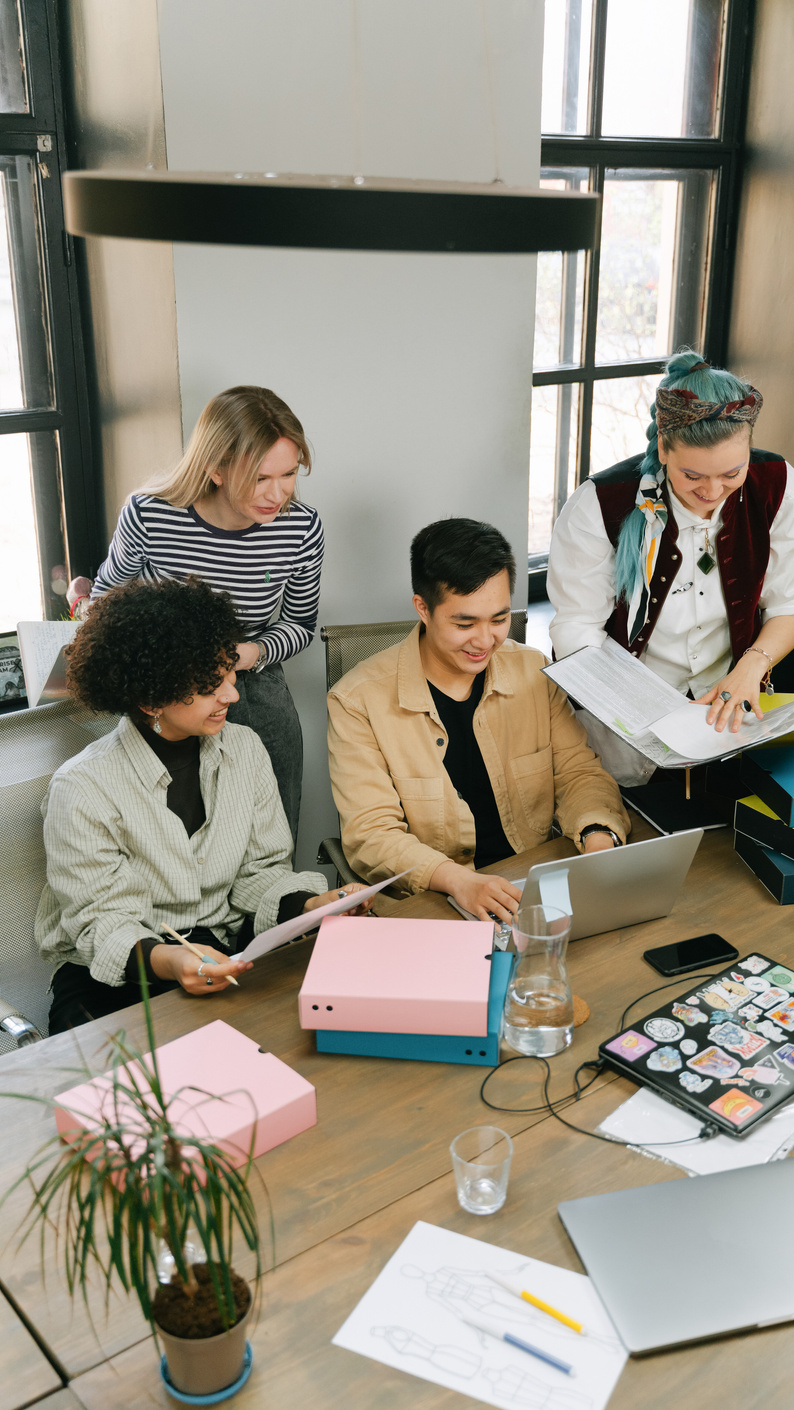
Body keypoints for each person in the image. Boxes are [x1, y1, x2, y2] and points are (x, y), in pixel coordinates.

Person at [37, 578, 368, 1034]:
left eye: (229, 673)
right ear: (151, 696)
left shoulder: (245, 749)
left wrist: (314, 903)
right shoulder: (83, 787)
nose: (231, 694)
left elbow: (261, 873)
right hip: (120, 972)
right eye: (211, 685)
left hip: (217, 951)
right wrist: (174, 961)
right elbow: (102, 924)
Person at [326, 518, 630, 923]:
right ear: (423, 608)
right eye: (464, 624)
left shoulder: (532, 672)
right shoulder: (356, 701)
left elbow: (579, 774)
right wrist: (457, 880)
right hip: (431, 905)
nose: (485, 640)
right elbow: (372, 834)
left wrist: (597, 840)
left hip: (531, 887)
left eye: (499, 619)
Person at [547, 350, 794, 784]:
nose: (712, 492)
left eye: (732, 473)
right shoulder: (599, 504)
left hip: (731, 717)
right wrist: (639, 706)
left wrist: (750, 668)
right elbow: (577, 627)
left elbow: (793, 601)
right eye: (692, 476)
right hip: (624, 728)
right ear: (662, 447)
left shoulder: (779, 485)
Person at [74, 385, 323, 843]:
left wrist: (244, 656)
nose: (278, 494)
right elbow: (106, 603)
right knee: (162, 839)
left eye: (288, 474)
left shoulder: (302, 528)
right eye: (260, 478)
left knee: (270, 838)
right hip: (166, 688)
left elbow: (301, 625)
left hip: (253, 679)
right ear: (216, 469)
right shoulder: (150, 514)